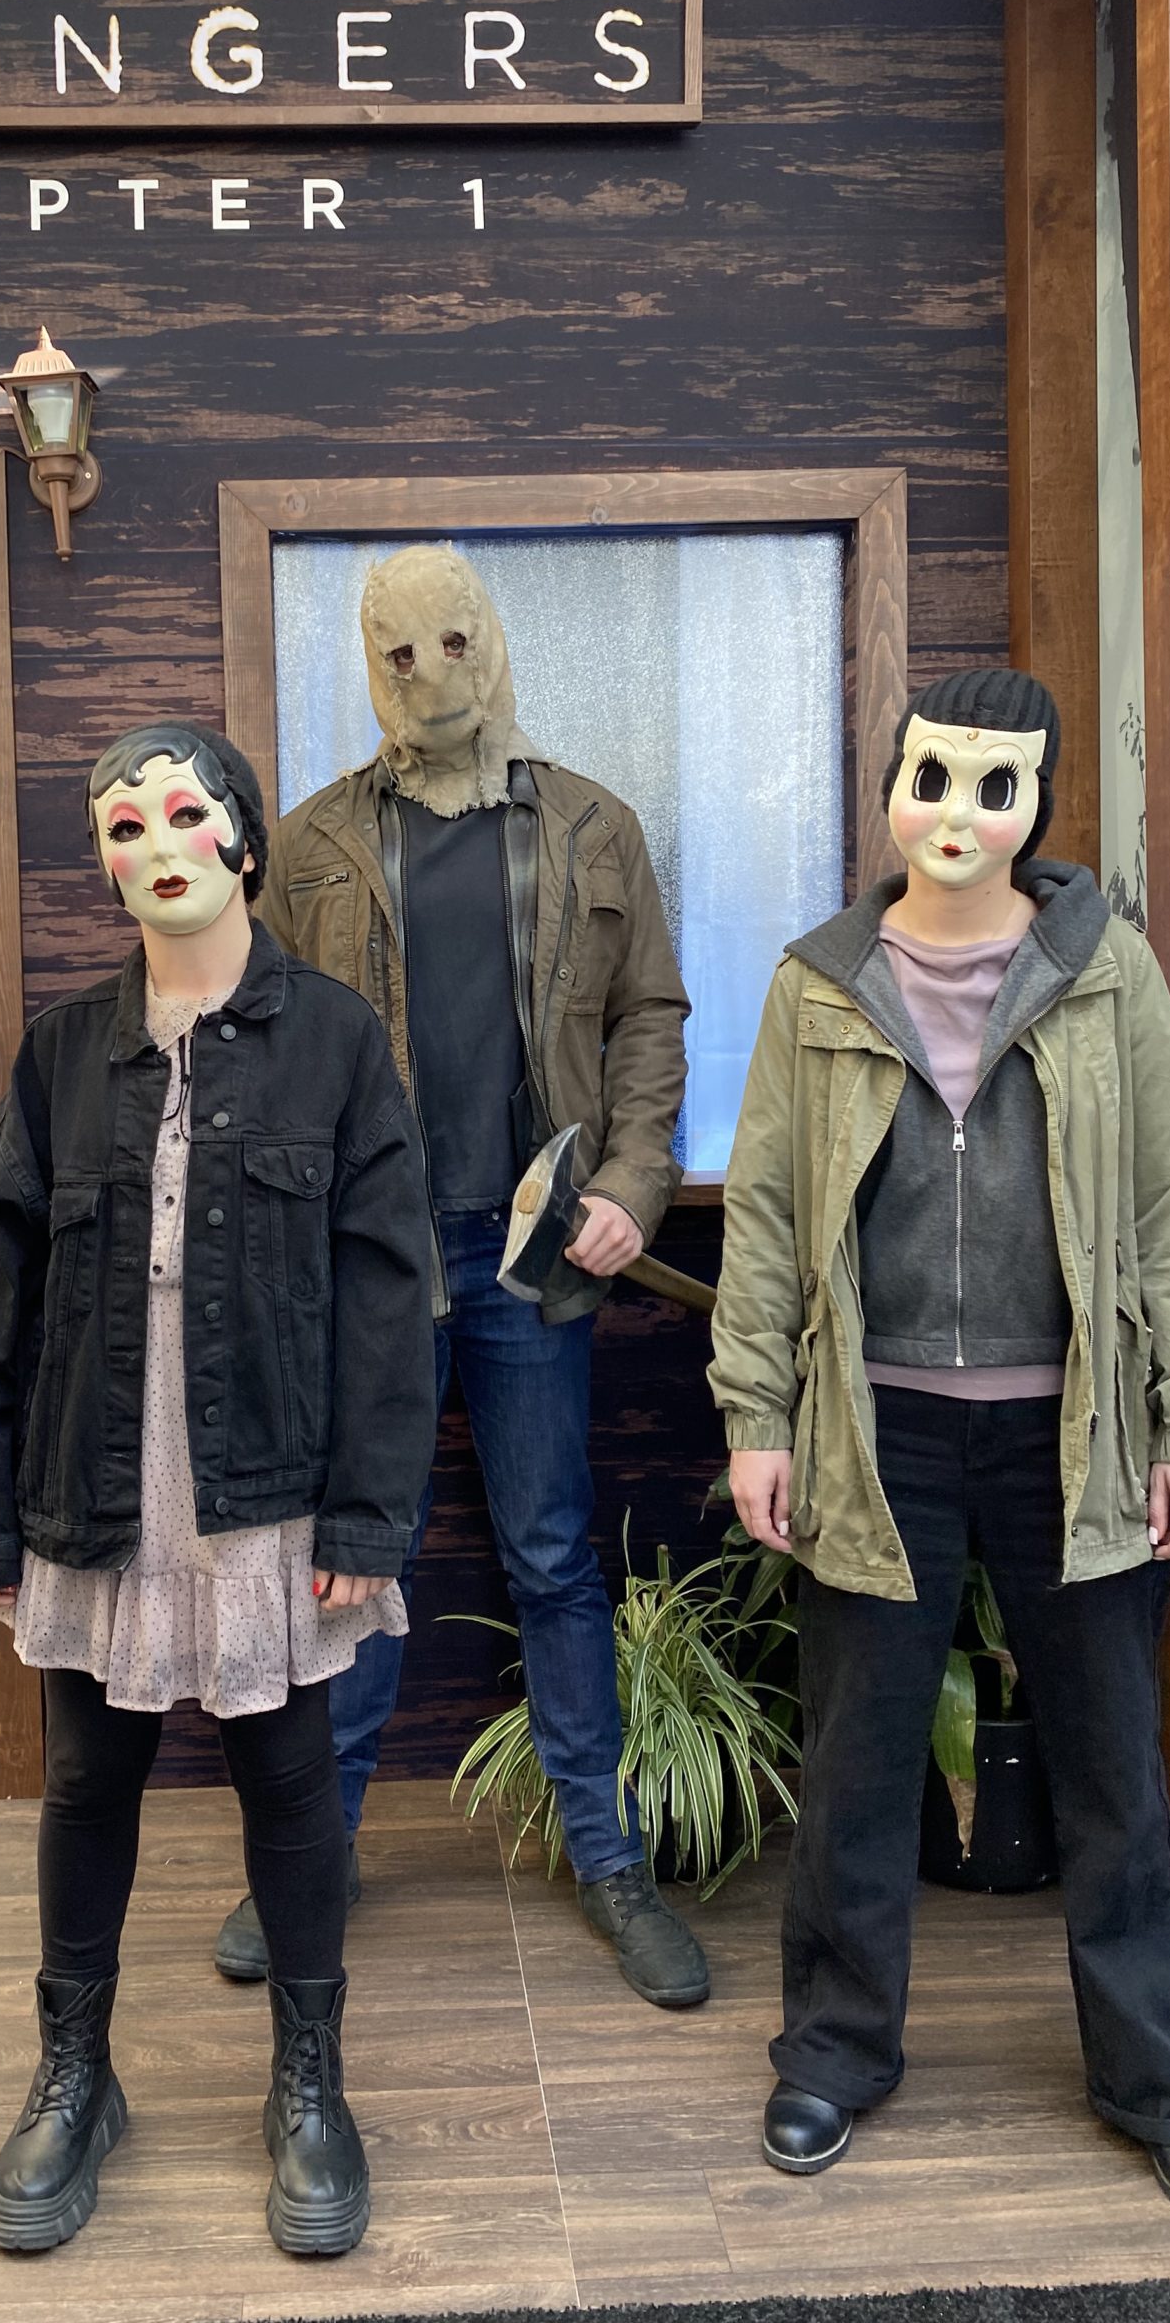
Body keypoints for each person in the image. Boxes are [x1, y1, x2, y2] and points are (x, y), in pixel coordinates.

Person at [709, 667, 1170, 2235]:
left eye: (991, 785)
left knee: (1113, 1768)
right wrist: (756, 1413)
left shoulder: (1105, 972)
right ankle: (833, 2053)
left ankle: (1168, 2090)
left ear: (1035, 804)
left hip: (1073, 1433)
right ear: (893, 789)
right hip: (871, 1432)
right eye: (931, 778)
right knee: (857, 1762)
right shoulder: (819, 983)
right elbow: (766, 1212)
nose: (956, 811)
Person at [0, 721, 435, 2259]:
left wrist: (368, 1513)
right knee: (88, 1779)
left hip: (269, 1484)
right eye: (123, 825)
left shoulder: (338, 1042)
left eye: (182, 814)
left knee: (289, 1781)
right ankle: (74, 2076)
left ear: (244, 841)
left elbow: (387, 1292)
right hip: (95, 1477)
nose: (155, 844)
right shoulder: (62, 1053)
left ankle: (310, 2082)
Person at [212, 544, 707, 2010]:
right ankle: (315, 1857)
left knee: (552, 1550)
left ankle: (609, 1858)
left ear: (492, 639)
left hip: (531, 1251)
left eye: (453, 640)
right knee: (357, 1557)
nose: (430, 673)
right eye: (399, 652)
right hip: (371, 1259)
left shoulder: (595, 828)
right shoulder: (312, 847)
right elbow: (263, 1043)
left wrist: (631, 1184)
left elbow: (649, 1017)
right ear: (369, 665)